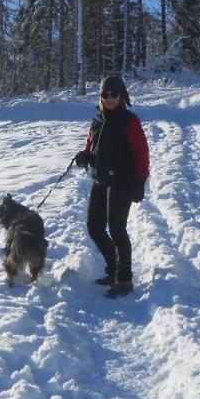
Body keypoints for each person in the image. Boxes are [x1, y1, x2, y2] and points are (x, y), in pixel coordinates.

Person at [74, 75, 150, 297]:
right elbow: (91, 146)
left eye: (113, 94)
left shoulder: (129, 121)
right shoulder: (97, 121)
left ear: (122, 96)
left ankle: (124, 279)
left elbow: (142, 152)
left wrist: (140, 180)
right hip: (100, 178)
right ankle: (113, 268)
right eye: (105, 95)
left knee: (117, 229)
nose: (109, 99)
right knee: (94, 227)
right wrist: (85, 156)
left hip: (123, 181)